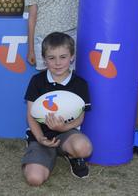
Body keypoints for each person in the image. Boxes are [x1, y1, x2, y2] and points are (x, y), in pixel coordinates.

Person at [22, 31, 92, 186]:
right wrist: (40, 138)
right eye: (51, 58)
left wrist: (64, 127)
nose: (58, 63)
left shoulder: (80, 84)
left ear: (72, 56)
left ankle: (72, 156)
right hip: (41, 135)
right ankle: (41, 152)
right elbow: (31, 116)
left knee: (84, 148)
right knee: (34, 179)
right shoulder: (37, 81)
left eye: (63, 57)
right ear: (44, 60)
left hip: (67, 133)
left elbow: (81, 117)